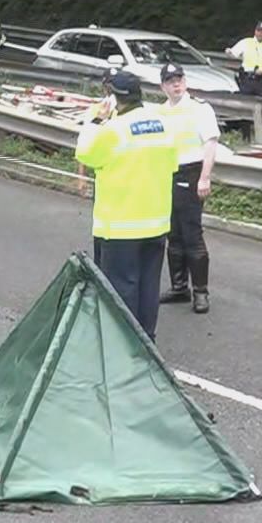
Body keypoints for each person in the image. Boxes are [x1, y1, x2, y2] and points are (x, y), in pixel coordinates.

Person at [75, 70, 177, 337]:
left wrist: (95, 120)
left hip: (120, 226)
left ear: (113, 97)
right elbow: (172, 164)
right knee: (148, 288)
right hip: (156, 223)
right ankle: (147, 342)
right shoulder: (163, 124)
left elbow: (85, 153)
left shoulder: (113, 130)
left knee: (120, 292)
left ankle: (123, 346)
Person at [155, 63, 220, 313]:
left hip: (191, 173)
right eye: (170, 81)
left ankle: (200, 292)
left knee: (192, 234)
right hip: (166, 175)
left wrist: (205, 177)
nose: (176, 84)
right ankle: (179, 286)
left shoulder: (199, 108)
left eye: (179, 79)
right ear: (162, 86)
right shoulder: (159, 111)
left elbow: (210, 144)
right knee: (173, 234)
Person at [226, 21, 262, 98]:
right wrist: (229, 52)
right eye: (259, 31)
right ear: (255, 31)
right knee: (244, 100)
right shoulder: (246, 42)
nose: (260, 34)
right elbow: (233, 54)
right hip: (247, 79)